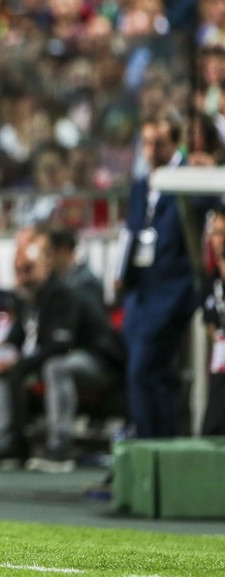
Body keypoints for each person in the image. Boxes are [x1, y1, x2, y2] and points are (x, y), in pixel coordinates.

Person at [0, 228, 122, 472]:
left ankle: (60, 449)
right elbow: (16, 340)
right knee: (1, 369)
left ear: (46, 266)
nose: (22, 277)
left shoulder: (63, 294)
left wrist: (18, 363)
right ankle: (6, 447)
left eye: (28, 269)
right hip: (57, 358)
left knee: (54, 366)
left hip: (98, 361)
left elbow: (60, 345)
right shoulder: (26, 296)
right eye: (18, 270)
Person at [118, 112, 214, 439]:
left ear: (175, 143)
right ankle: (161, 441)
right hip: (140, 291)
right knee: (154, 374)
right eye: (145, 143)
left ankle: (147, 442)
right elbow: (132, 232)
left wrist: (209, 172)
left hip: (172, 290)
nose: (151, 150)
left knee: (143, 369)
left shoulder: (189, 177)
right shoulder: (143, 183)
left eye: (158, 143)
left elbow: (213, 201)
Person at [202, 205, 225, 435]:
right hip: (221, 364)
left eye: (223, 233)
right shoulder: (210, 281)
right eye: (216, 233)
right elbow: (210, 325)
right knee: (212, 428)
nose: (219, 239)